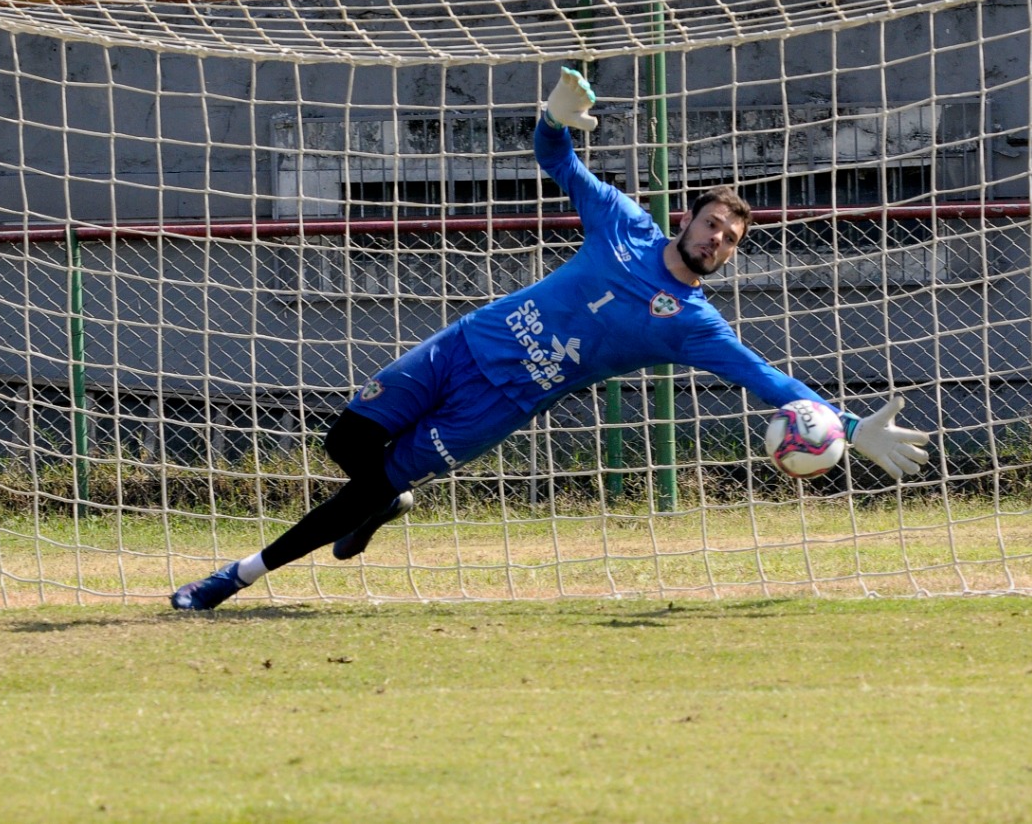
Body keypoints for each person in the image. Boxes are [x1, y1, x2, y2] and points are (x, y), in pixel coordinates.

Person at [171, 68, 931, 611]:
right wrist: (552, 115)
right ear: (689, 219)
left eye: (730, 239)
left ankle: (236, 577)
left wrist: (844, 425)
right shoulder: (625, 225)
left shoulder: (695, 325)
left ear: (730, 253)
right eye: (711, 223)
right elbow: (555, 158)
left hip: (495, 406)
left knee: (365, 483)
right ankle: (382, 501)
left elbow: (764, 379)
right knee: (345, 443)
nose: (717, 238)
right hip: (463, 345)